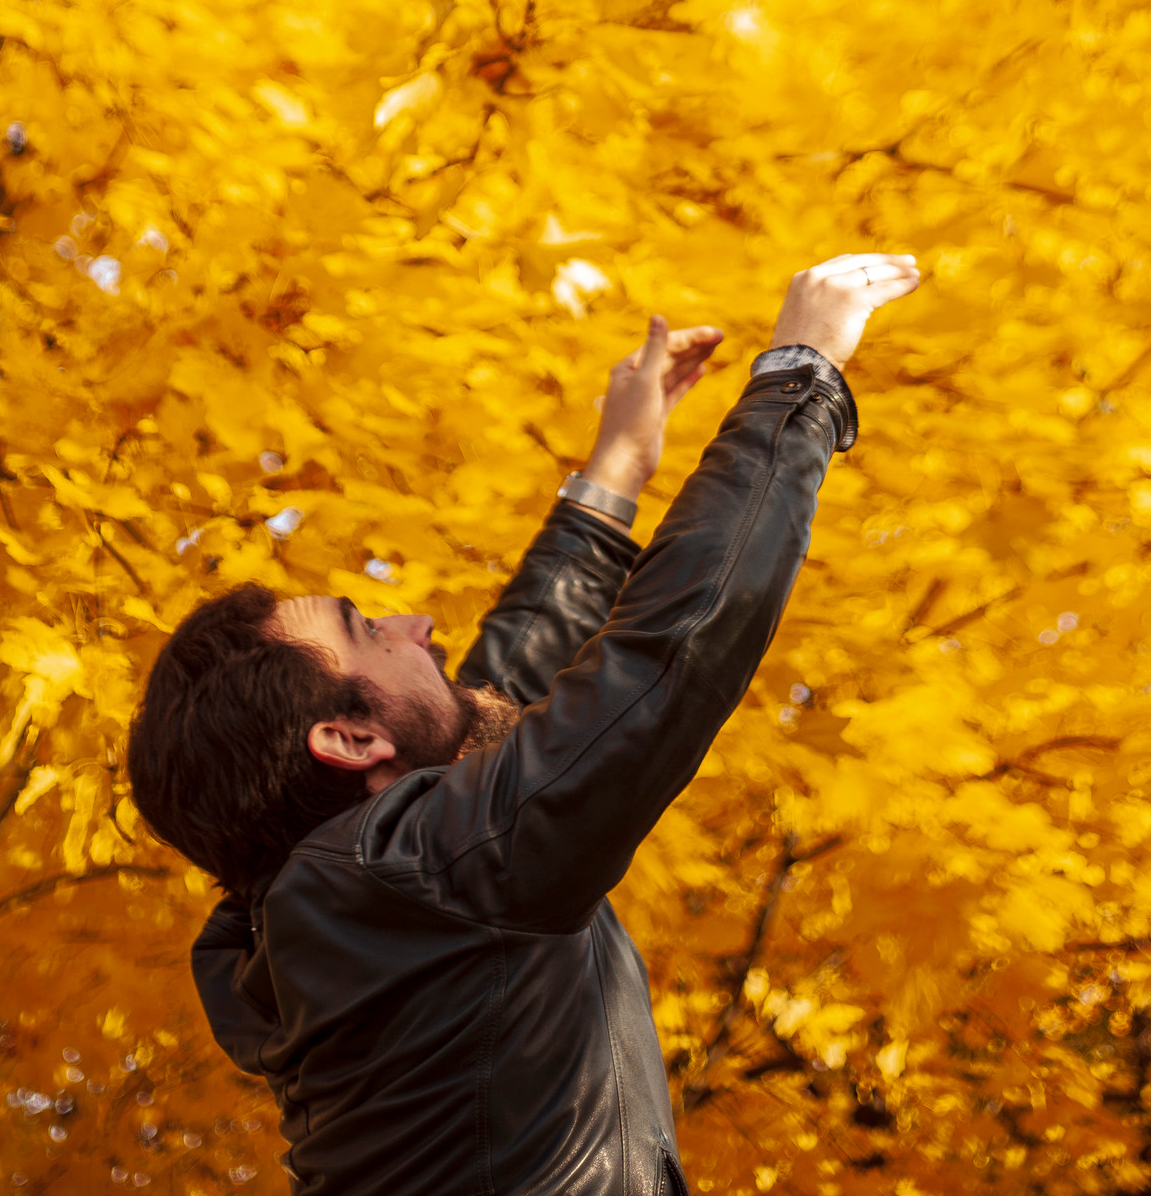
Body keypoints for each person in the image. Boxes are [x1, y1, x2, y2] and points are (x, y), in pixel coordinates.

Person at [126, 250, 921, 1196]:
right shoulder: (400, 879)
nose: (418, 625)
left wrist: (616, 467)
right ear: (347, 740)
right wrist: (800, 380)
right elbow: (662, 658)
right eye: (368, 629)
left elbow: (494, 698)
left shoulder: (357, 904)